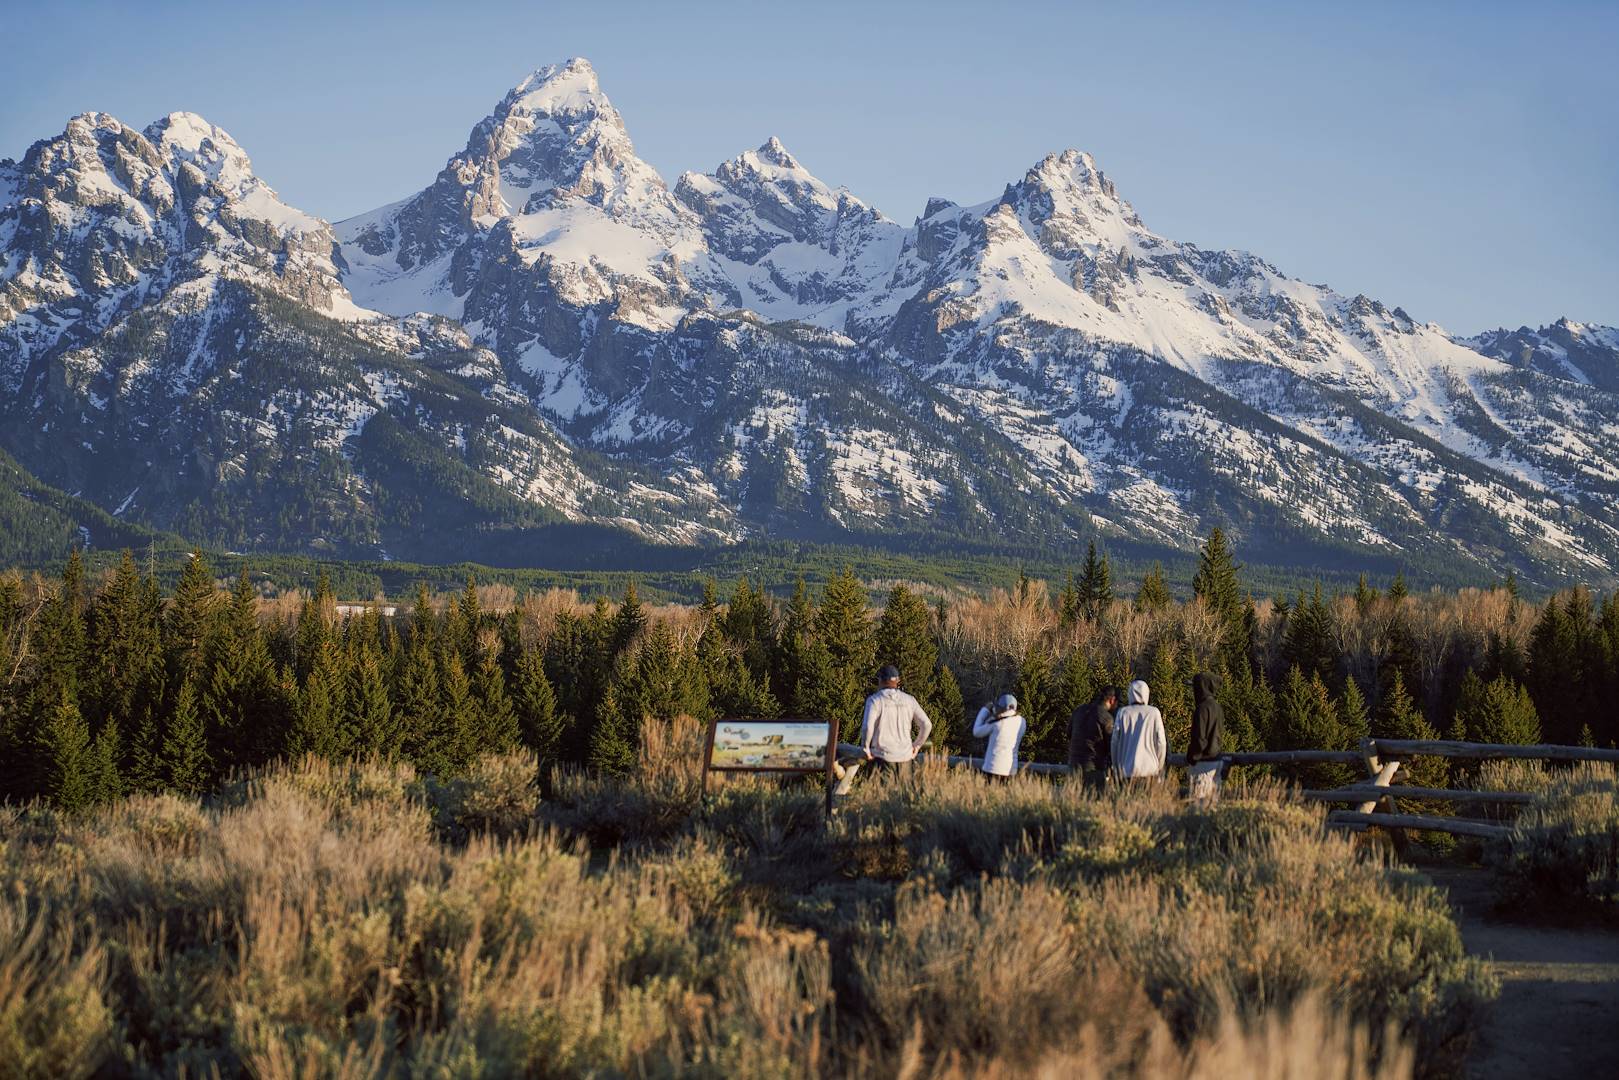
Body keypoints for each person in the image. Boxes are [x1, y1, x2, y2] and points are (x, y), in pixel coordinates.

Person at [859, 665, 933, 781]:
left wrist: (866, 747)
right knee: (903, 796)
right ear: (897, 681)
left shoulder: (875, 700)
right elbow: (926, 724)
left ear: (880, 680)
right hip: (905, 757)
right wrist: (916, 745)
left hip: (882, 757)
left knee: (883, 796)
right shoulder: (909, 700)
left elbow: (867, 727)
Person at [1111, 679, 1166, 786]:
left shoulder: (1123, 713)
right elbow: (1161, 743)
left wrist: (1117, 766)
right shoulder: (1153, 712)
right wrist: (1159, 766)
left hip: (1127, 770)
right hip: (1150, 770)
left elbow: (1115, 742)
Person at [1067, 685, 1119, 792]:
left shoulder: (1079, 710)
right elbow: (1111, 746)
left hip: (1073, 764)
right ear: (1112, 700)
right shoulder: (1106, 718)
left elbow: (1069, 733)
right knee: (1093, 801)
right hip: (1093, 767)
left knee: (1074, 802)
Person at [1187, 671, 1225, 803]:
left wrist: (1192, 757)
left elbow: (1200, 739)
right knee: (1212, 804)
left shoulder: (1202, 709)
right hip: (1216, 760)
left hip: (1203, 763)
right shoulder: (1217, 707)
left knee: (1199, 806)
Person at [972, 693, 1027, 782]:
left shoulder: (997, 723)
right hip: (1011, 769)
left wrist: (985, 710)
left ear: (1001, 708)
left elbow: (977, 732)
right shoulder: (1022, 721)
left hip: (992, 768)